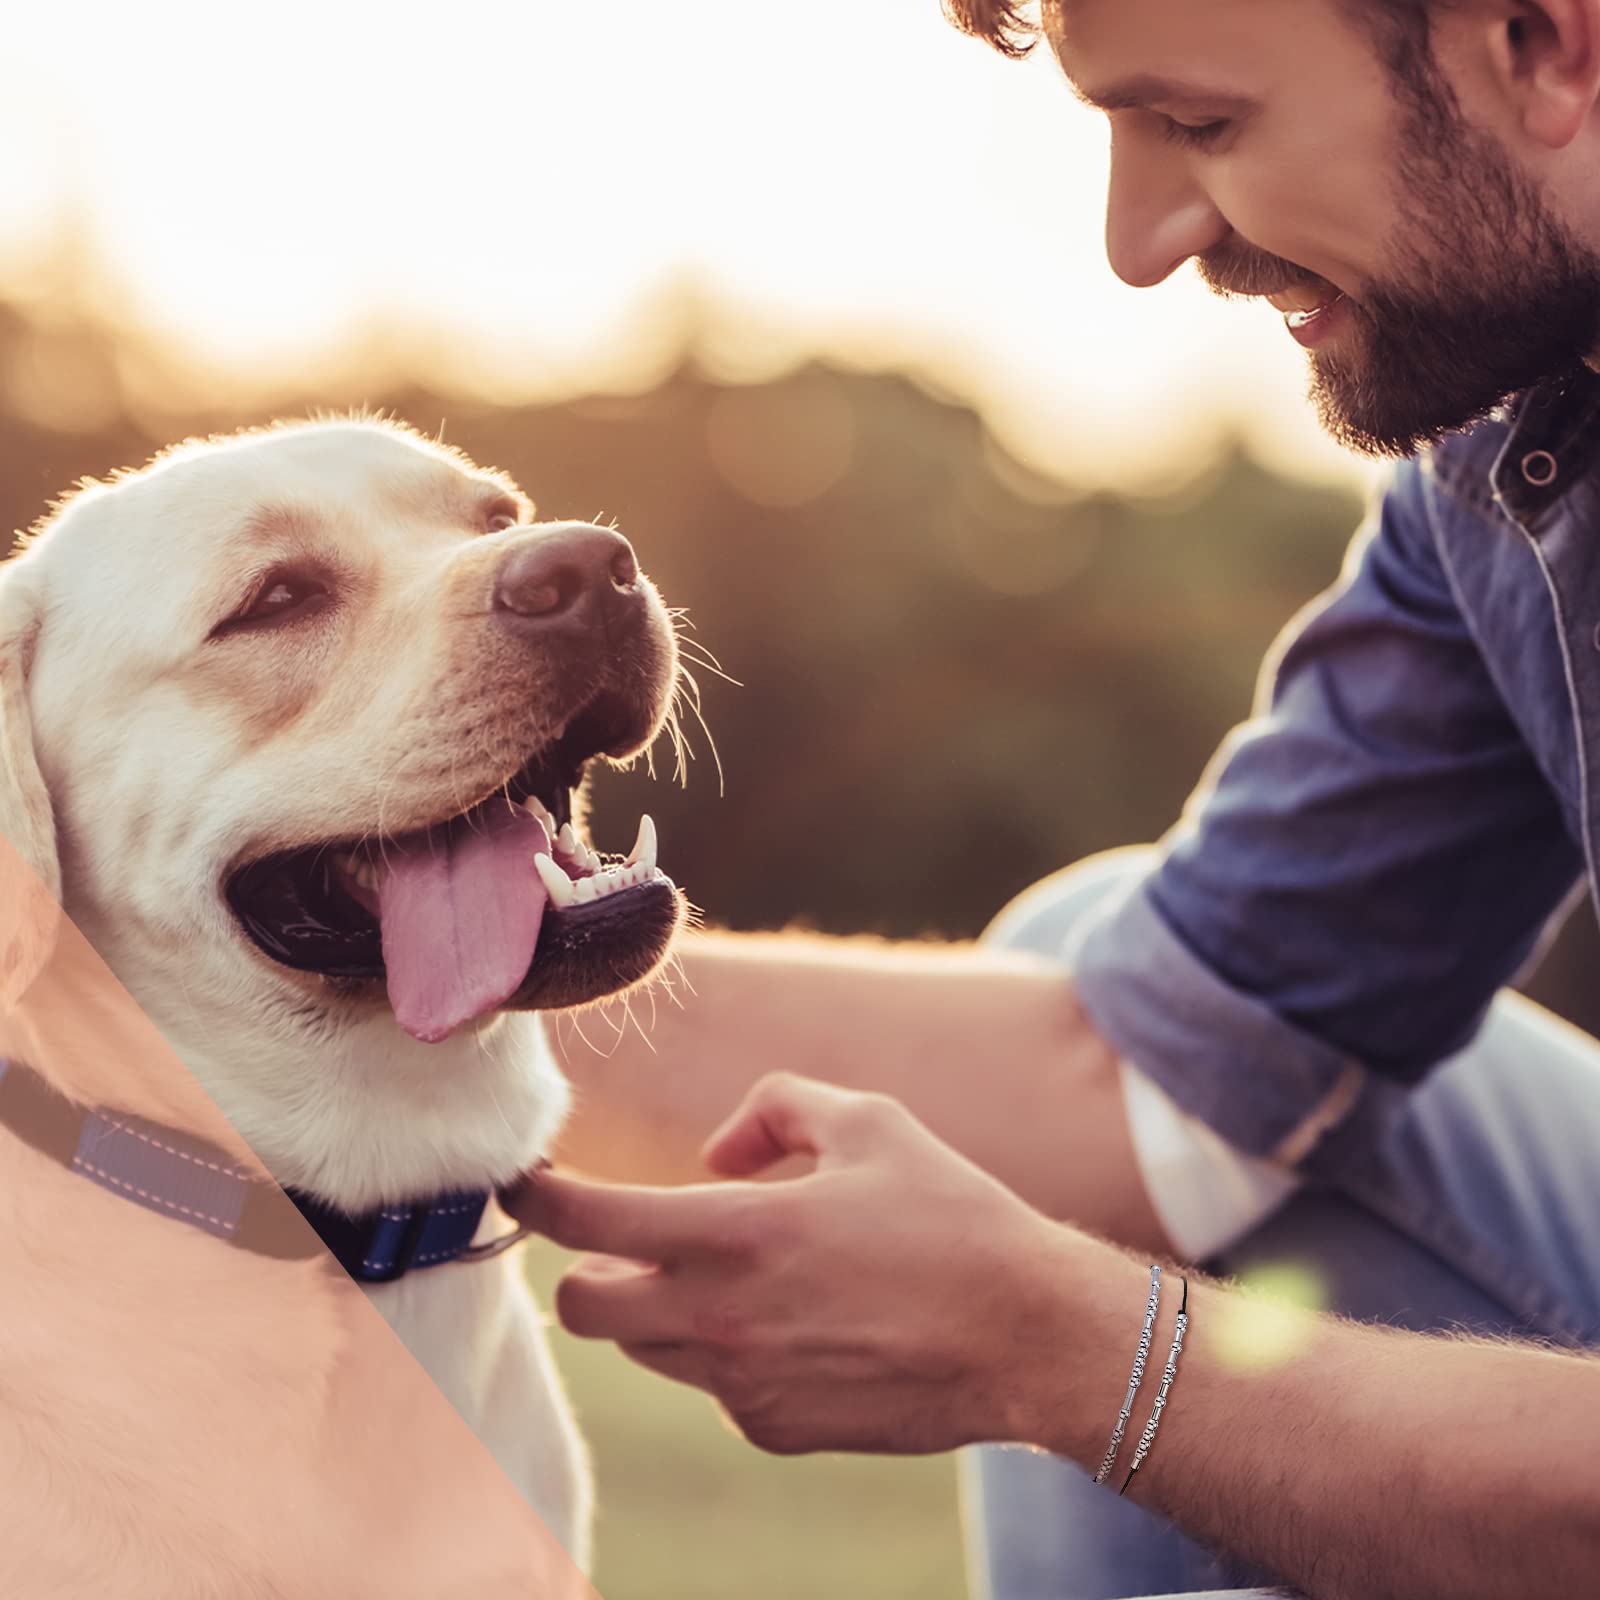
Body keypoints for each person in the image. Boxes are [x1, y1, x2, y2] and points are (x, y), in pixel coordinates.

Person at [500, 3, 1600, 1596]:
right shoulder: (1508, 445)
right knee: (1096, 950)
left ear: (1542, 40)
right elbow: (1132, 1073)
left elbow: (1086, 1337)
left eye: (1204, 125)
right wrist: (321, 1005)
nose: (1135, 243)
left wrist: (1070, 1353)